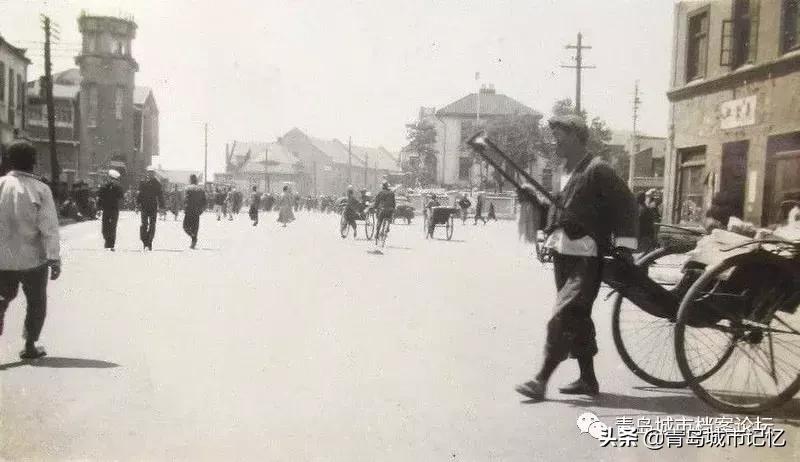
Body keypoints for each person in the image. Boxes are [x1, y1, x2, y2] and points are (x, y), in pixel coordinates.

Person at [514, 115, 638, 402]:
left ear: (576, 136)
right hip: (562, 254)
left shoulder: (598, 169)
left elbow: (627, 206)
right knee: (578, 318)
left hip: (587, 258)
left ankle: (540, 379)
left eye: (559, 135)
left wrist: (624, 248)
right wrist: (532, 198)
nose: (554, 140)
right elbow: (558, 211)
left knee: (564, 316)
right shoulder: (563, 171)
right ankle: (588, 379)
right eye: (553, 134)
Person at [0, 141, 62, 359]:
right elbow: (49, 227)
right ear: (34, 163)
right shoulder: (40, 189)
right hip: (33, 260)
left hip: (2, 260)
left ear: (8, 160)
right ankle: (29, 346)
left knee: (1, 299)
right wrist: (54, 258)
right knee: (36, 302)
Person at [136, 166, 164, 251]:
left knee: (152, 225)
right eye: (149, 172)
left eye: (152, 173)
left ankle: (149, 242)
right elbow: (139, 195)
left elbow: (160, 196)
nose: (150, 174)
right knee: (144, 225)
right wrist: (137, 205)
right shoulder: (143, 182)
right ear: (147, 173)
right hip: (144, 207)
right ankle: (145, 241)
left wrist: (162, 207)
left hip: (153, 207)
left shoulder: (157, 183)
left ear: (154, 174)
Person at [96, 169, 124, 251]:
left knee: (111, 226)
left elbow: (121, 197)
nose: (110, 180)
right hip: (106, 209)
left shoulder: (118, 187)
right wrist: (98, 208)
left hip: (114, 209)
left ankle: (110, 244)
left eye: (111, 178)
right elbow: (100, 197)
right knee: (105, 227)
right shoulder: (104, 187)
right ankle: (108, 241)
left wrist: (116, 187)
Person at [183, 174, 207, 249]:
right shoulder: (200, 189)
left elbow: (185, 200)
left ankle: (193, 237)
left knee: (185, 226)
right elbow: (205, 202)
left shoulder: (187, 188)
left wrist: (184, 208)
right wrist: (201, 210)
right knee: (195, 227)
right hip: (197, 211)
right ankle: (193, 241)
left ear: (190, 180)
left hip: (189, 211)